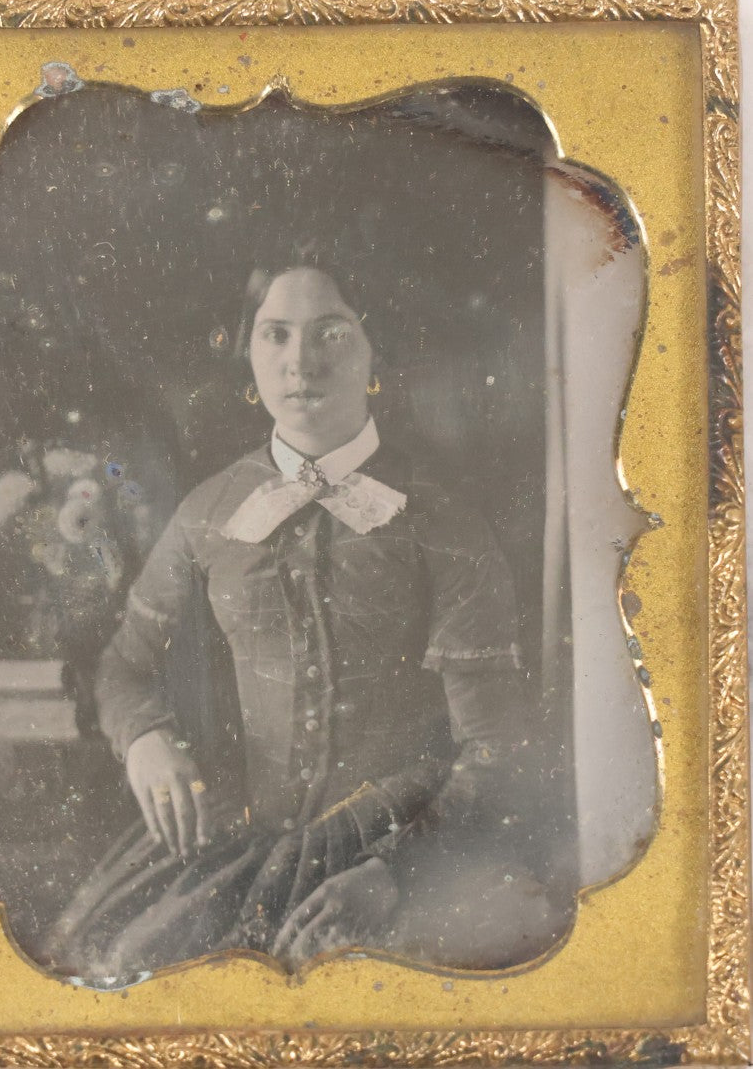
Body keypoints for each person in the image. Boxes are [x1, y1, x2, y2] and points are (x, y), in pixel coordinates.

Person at [45, 253, 566, 985]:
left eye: (331, 334)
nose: (300, 362)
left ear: (374, 352)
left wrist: (394, 871)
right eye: (276, 335)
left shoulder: (442, 519)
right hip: (247, 835)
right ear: (250, 353)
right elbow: (124, 666)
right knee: (121, 963)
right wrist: (145, 742)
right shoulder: (208, 510)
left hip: (406, 839)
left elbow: (497, 745)